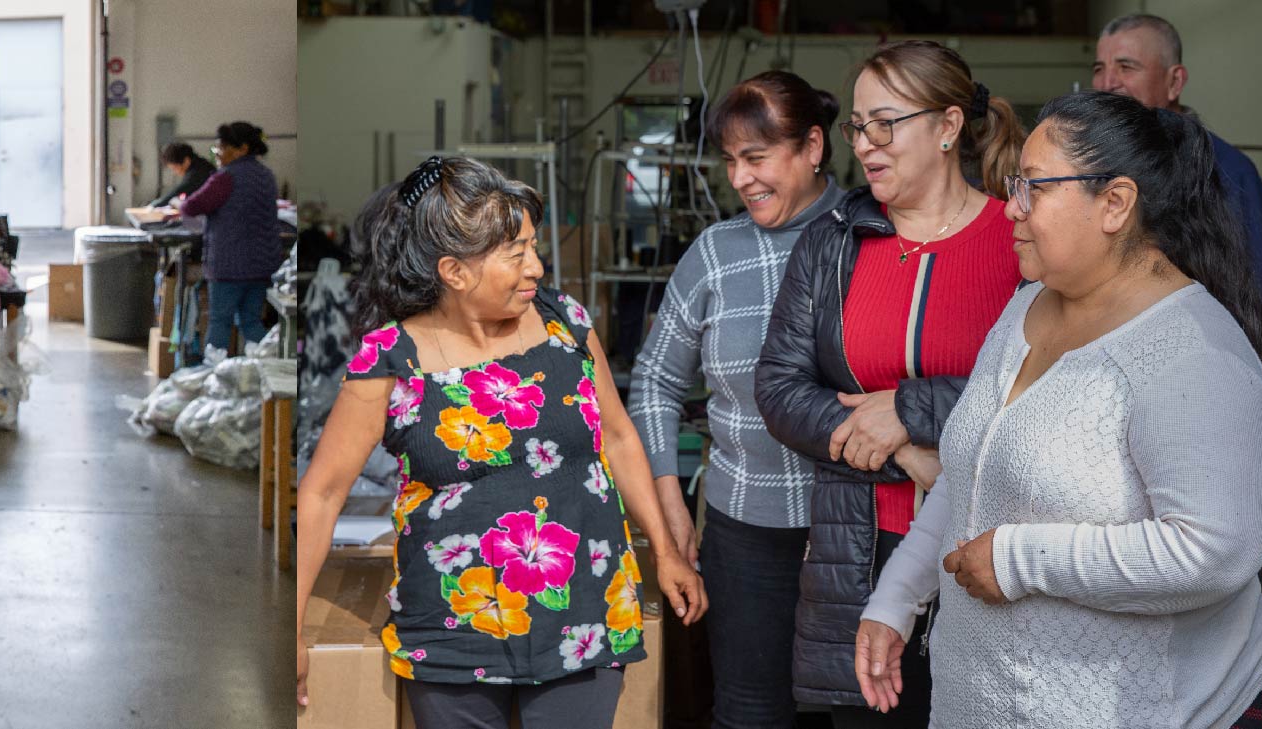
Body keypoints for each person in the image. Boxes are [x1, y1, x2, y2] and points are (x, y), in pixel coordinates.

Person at [855, 90, 1262, 728]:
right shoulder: (1025, 307)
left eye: (1034, 187)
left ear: (1114, 203)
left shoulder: (1191, 351)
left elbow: (1216, 549)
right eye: (1014, 186)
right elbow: (973, 470)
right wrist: (896, 599)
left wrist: (1019, 560)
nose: (1011, 208)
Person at [294, 156, 707, 728]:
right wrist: (290, 633)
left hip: (583, 612)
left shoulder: (566, 324)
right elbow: (321, 492)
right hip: (451, 627)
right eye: (516, 254)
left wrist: (664, 551)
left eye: (533, 247)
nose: (536, 267)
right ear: (455, 272)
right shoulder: (389, 358)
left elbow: (618, 437)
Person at [753, 40, 1026, 728]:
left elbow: (1042, 385)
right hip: (857, 550)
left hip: (983, 542)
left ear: (946, 126)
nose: (866, 145)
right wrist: (902, 447)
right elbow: (780, 386)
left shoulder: (1017, 240)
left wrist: (910, 409)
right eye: (858, 127)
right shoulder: (834, 240)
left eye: (886, 123)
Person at [626, 70, 843, 729]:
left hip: (852, 528)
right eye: (730, 162)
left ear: (811, 146)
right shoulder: (714, 253)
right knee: (749, 714)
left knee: (849, 713)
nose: (741, 178)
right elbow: (654, 382)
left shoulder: (866, 238)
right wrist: (669, 510)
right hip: (743, 532)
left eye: (756, 157)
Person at [1093, 13, 1262, 307]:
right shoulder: (1089, 164)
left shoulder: (1228, 171)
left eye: (1126, 67)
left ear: (1174, 81)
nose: (1107, 82)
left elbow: (1253, 297)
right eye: (1099, 68)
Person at [176, 121, 281, 359]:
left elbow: (193, 205)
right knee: (251, 320)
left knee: (220, 321)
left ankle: (216, 380)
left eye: (222, 149)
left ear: (242, 148)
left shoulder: (226, 177)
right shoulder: (266, 176)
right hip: (262, 266)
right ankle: (263, 372)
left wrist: (182, 205)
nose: (218, 155)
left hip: (229, 267)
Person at [147, 141, 215, 208]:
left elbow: (178, 191)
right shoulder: (200, 164)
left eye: (175, 168)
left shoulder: (198, 172)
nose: (175, 173)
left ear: (186, 161)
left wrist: (153, 205)